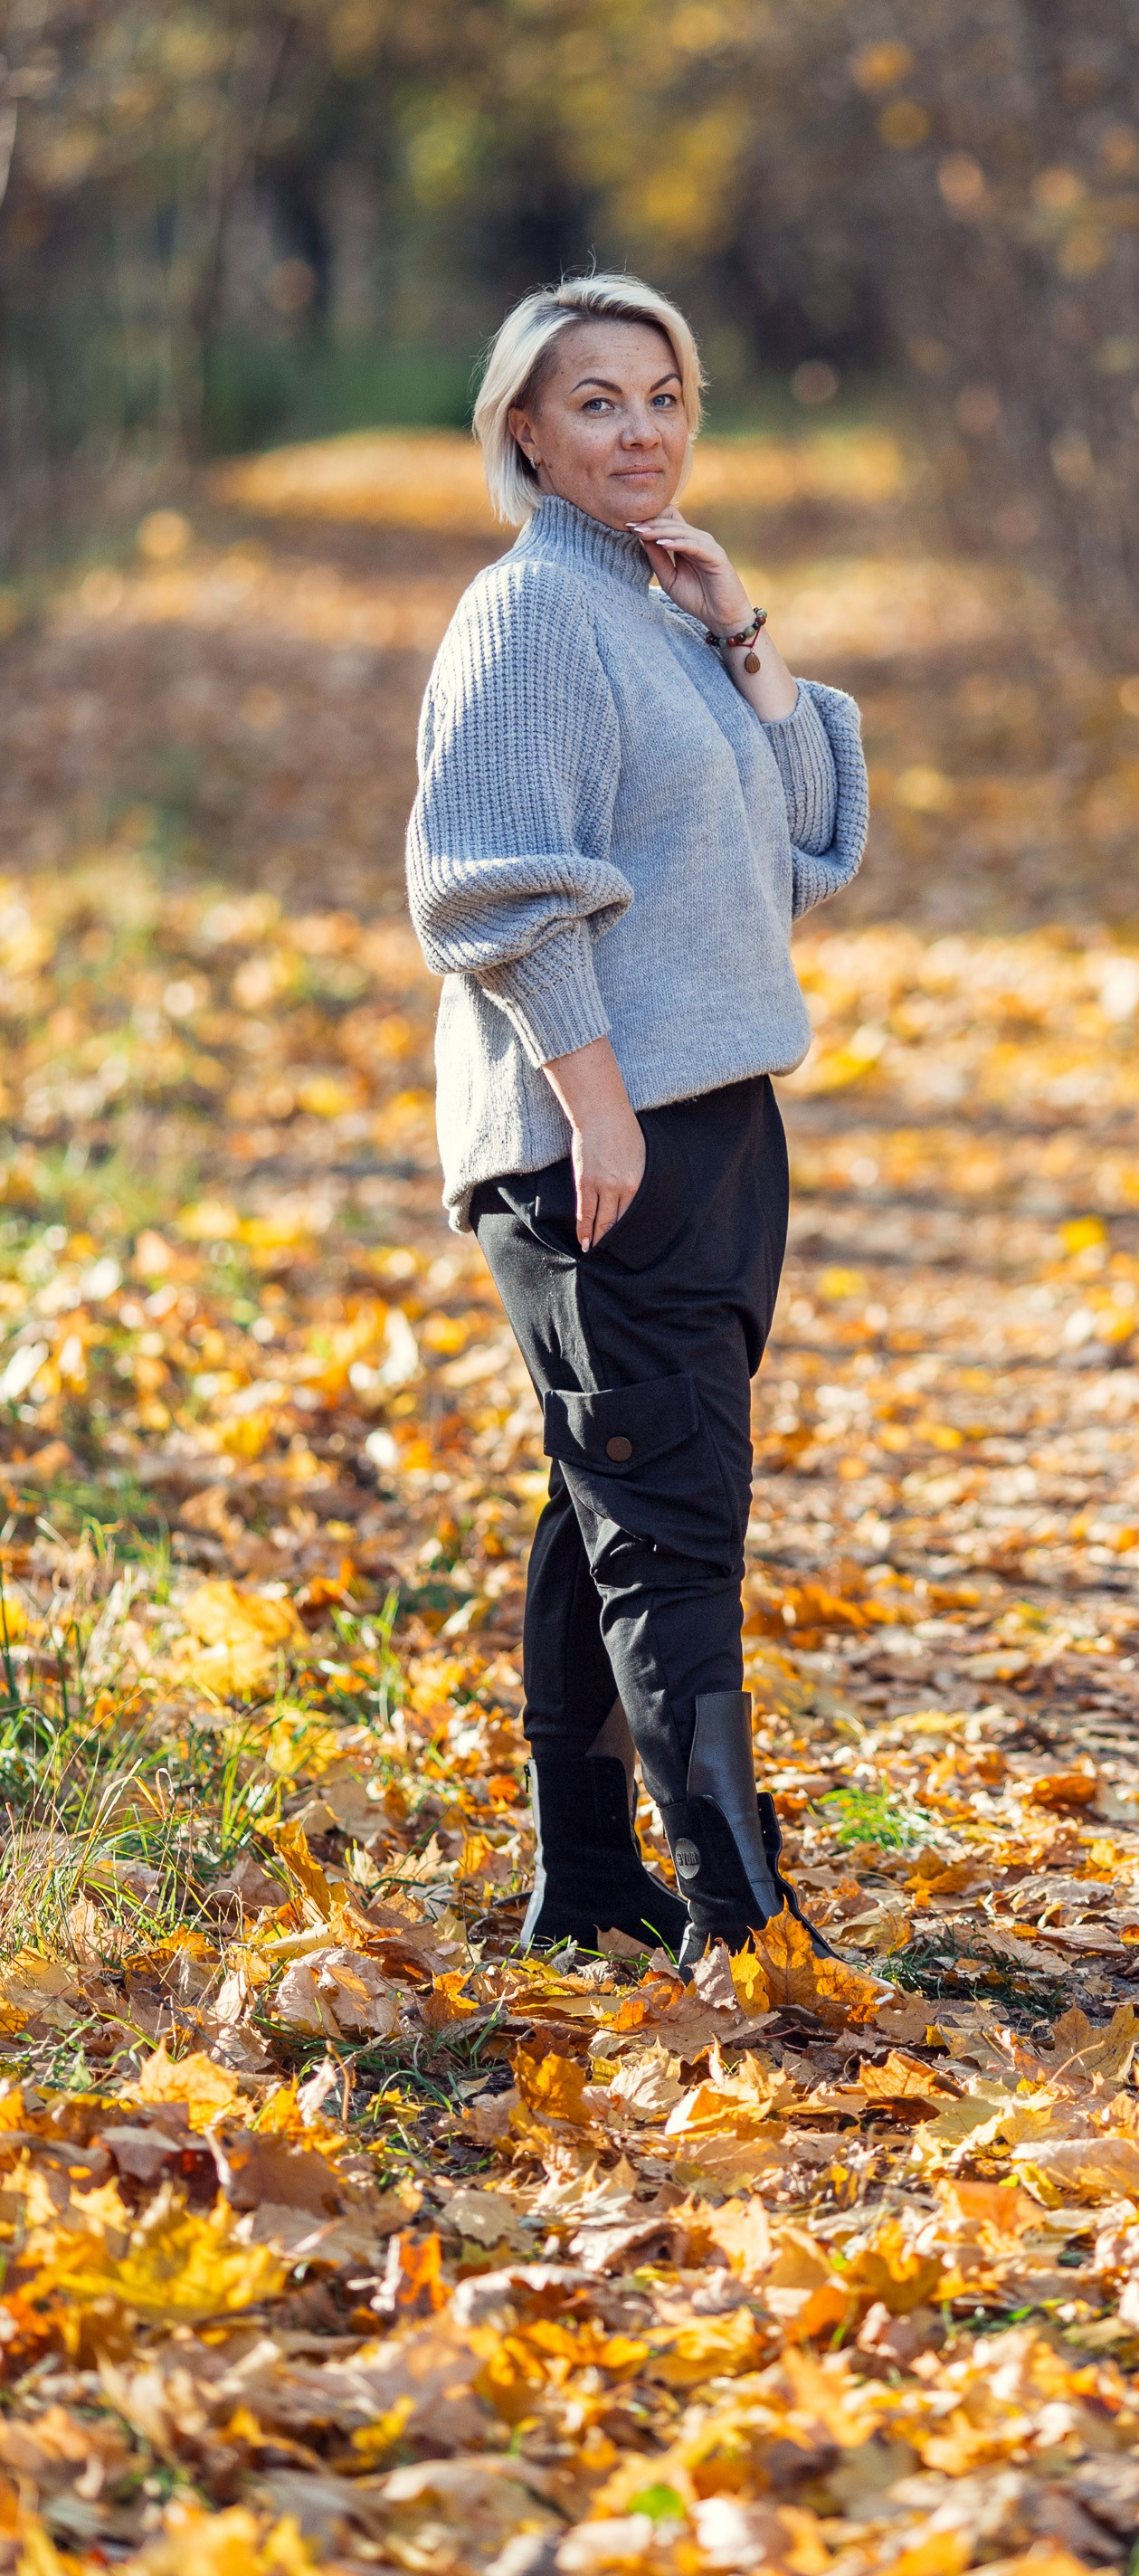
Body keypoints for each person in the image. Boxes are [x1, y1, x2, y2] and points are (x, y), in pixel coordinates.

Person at [406, 271, 867, 1965]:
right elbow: (493, 891)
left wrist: (744, 633)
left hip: (719, 1121)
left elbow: (804, 856)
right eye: (595, 401)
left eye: (662, 394)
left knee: (609, 1495)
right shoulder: (527, 617)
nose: (641, 429)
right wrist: (593, 1108)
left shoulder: (660, 613)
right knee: (667, 1521)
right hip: (607, 1134)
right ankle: (744, 1928)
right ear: (522, 432)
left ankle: (591, 1883)